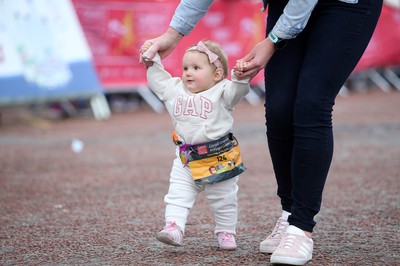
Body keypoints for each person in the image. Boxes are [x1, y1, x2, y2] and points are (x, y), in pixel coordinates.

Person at [139, 0, 382, 264]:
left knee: (311, 105)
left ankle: (301, 227)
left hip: (345, 5)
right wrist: (173, 34)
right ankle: (288, 213)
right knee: (278, 108)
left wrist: (274, 39)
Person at [141, 40, 251, 250]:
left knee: (224, 199)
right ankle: (174, 227)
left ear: (217, 75)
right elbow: (159, 81)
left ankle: (226, 231)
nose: (188, 73)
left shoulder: (223, 91)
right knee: (177, 194)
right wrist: (152, 61)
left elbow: (237, 92)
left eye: (196, 68)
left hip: (219, 158)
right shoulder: (175, 89)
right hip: (186, 159)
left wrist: (239, 77)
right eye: (185, 68)